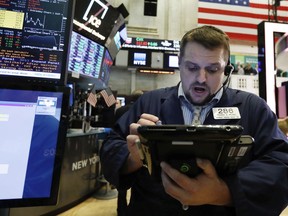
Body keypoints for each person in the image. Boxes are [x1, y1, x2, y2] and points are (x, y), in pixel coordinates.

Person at [100, 25, 288, 216]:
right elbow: (110, 149)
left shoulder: (253, 108)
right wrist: (135, 157)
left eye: (213, 69)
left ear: (227, 69)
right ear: (180, 63)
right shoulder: (149, 102)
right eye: (192, 67)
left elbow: (281, 164)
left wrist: (224, 192)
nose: (201, 78)